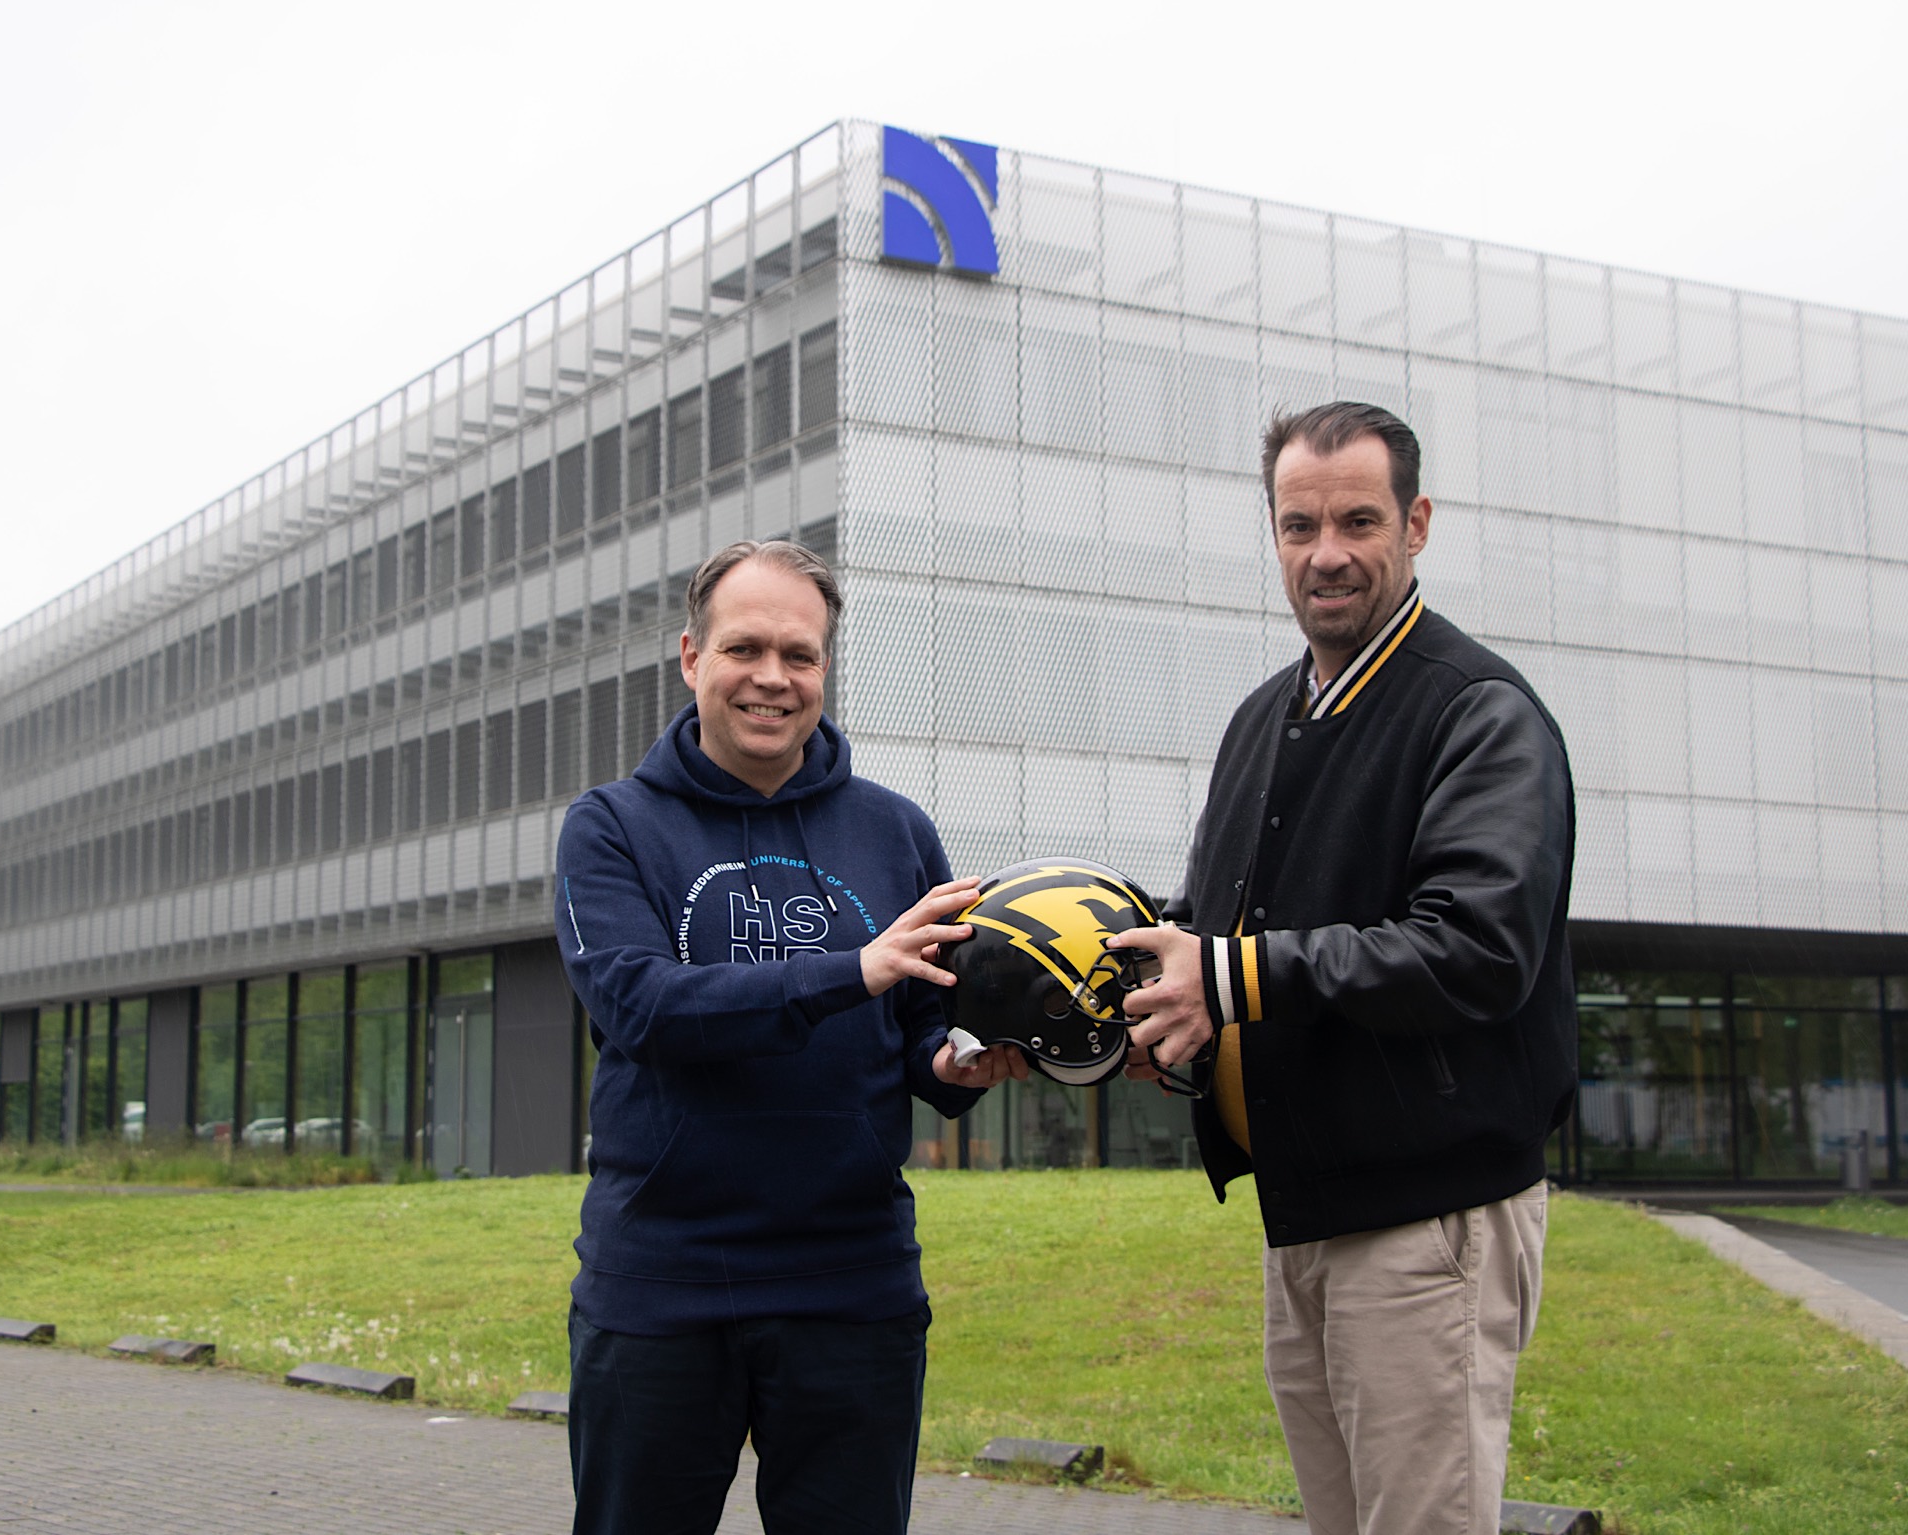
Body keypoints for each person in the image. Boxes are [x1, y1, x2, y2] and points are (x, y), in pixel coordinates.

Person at [1110, 402, 1577, 1535]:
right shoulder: (1260, 717)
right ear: (1271, 534)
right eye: (1297, 524)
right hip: (1302, 1208)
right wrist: (1117, 1000)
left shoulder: (1477, 711)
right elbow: (1215, 927)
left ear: (1414, 524)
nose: (1325, 553)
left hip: (1429, 1219)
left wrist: (1221, 977)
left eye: (1357, 520)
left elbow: (1473, 948)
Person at [554, 538, 1026, 1535]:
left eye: (800, 654)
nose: (772, 676)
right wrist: (848, 968)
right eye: (745, 647)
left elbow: (921, 1032)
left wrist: (960, 1061)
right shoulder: (609, 827)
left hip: (851, 1288)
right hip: (660, 1290)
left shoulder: (894, 831)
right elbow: (641, 1005)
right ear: (691, 656)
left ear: (824, 667)